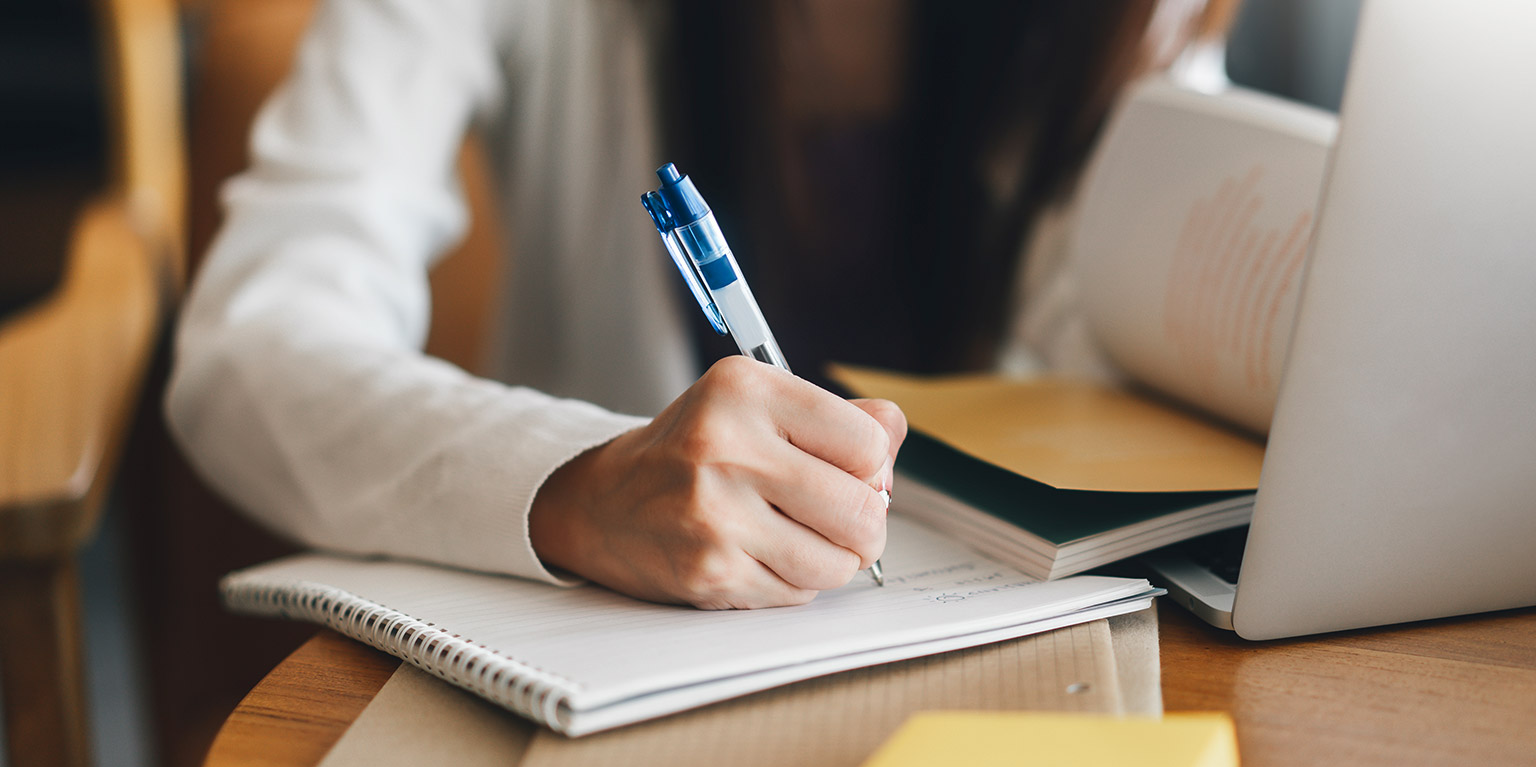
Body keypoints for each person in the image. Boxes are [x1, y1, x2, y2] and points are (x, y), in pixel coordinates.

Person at [167, 0, 1227, 610]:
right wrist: (571, 484)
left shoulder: (1133, 21)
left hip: (1030, 663)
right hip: (628, 687)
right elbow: (253, 340)